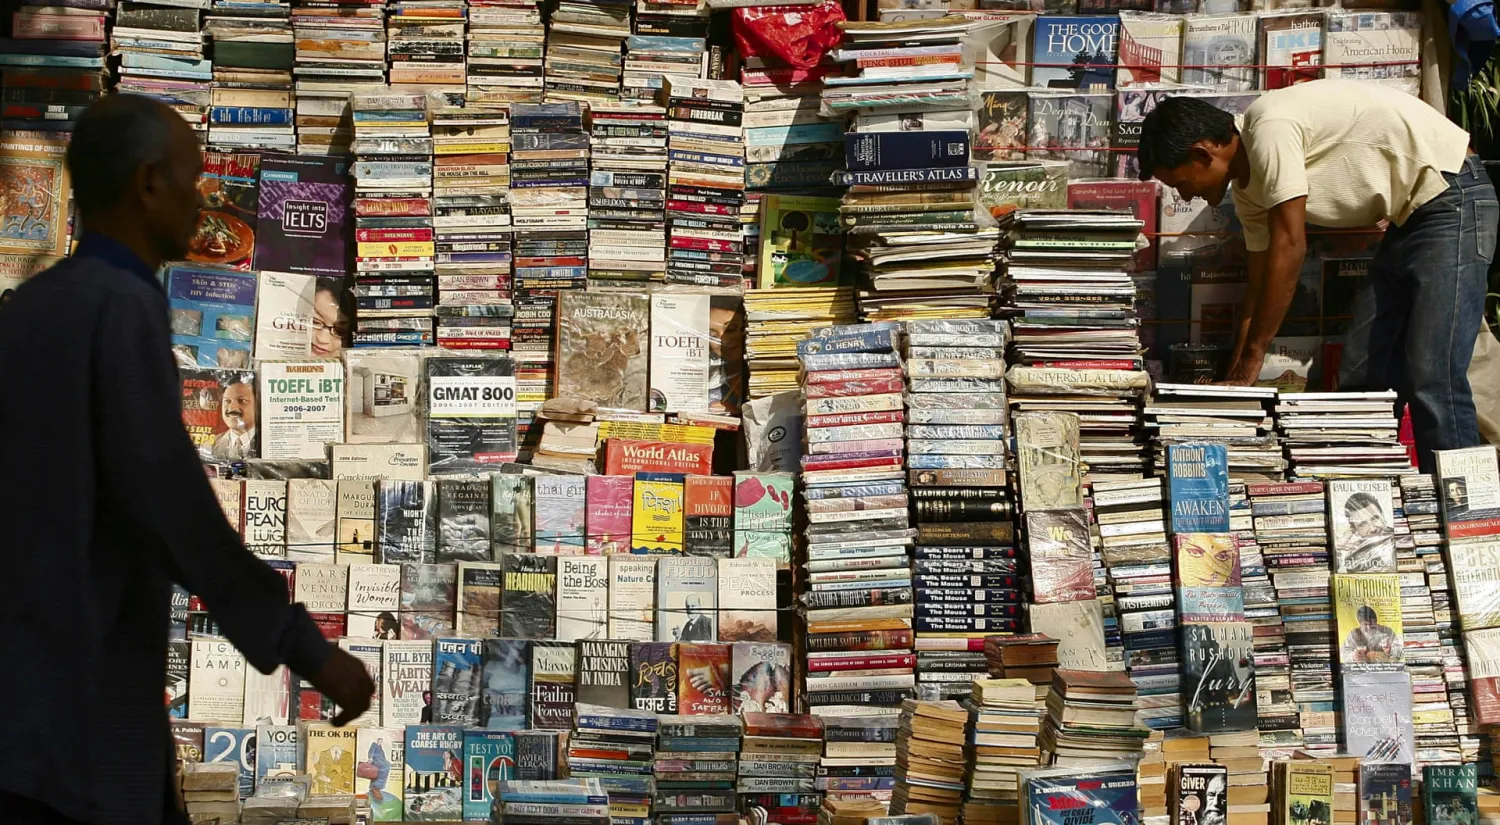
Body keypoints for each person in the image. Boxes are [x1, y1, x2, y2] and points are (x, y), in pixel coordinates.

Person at [0, 95, 374, 825]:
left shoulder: (29, 308)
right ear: (147, 184)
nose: (204, 198)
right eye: (192, 177)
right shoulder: (123, 307)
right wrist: (308, 650)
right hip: (82, 721)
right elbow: (171, 506)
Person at [1137, 79, 1498, 472]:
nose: (1185, 196)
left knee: (1435, 374)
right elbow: (1258, 284)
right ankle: (1366, 497)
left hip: (1451, 194)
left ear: (1203, 154)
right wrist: (1237, 377)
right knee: (1363, 371)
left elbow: (1291, 247)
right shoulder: (1246, 188)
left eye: (1181, 183)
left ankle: (1464, 515)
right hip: (1408, 218)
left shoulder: (1268, 126)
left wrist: (1250, 364)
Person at [1338, 491, 1396, 572]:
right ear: (1354, 529)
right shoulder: (1353, 558)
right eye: (1363, 524)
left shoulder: (1400, 538)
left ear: (1382, 514)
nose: (1373, 529)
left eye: (1375, 519)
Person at [211, 374, 257, 461]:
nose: (232, 408)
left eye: (242, 401)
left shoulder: (270, 443)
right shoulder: (208, 445)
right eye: (227, 401)